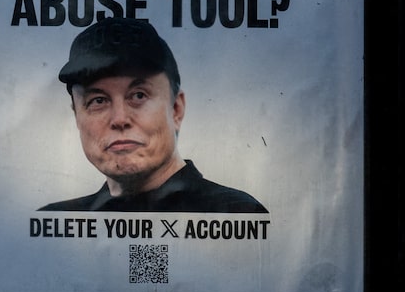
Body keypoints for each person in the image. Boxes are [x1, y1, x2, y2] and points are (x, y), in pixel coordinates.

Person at [38, 17, 266, 213]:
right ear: (77, 116)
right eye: (98, 101)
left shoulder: (237, 214)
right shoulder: (54, 222)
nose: (119, 119)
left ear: (176, 109)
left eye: (138, 95)